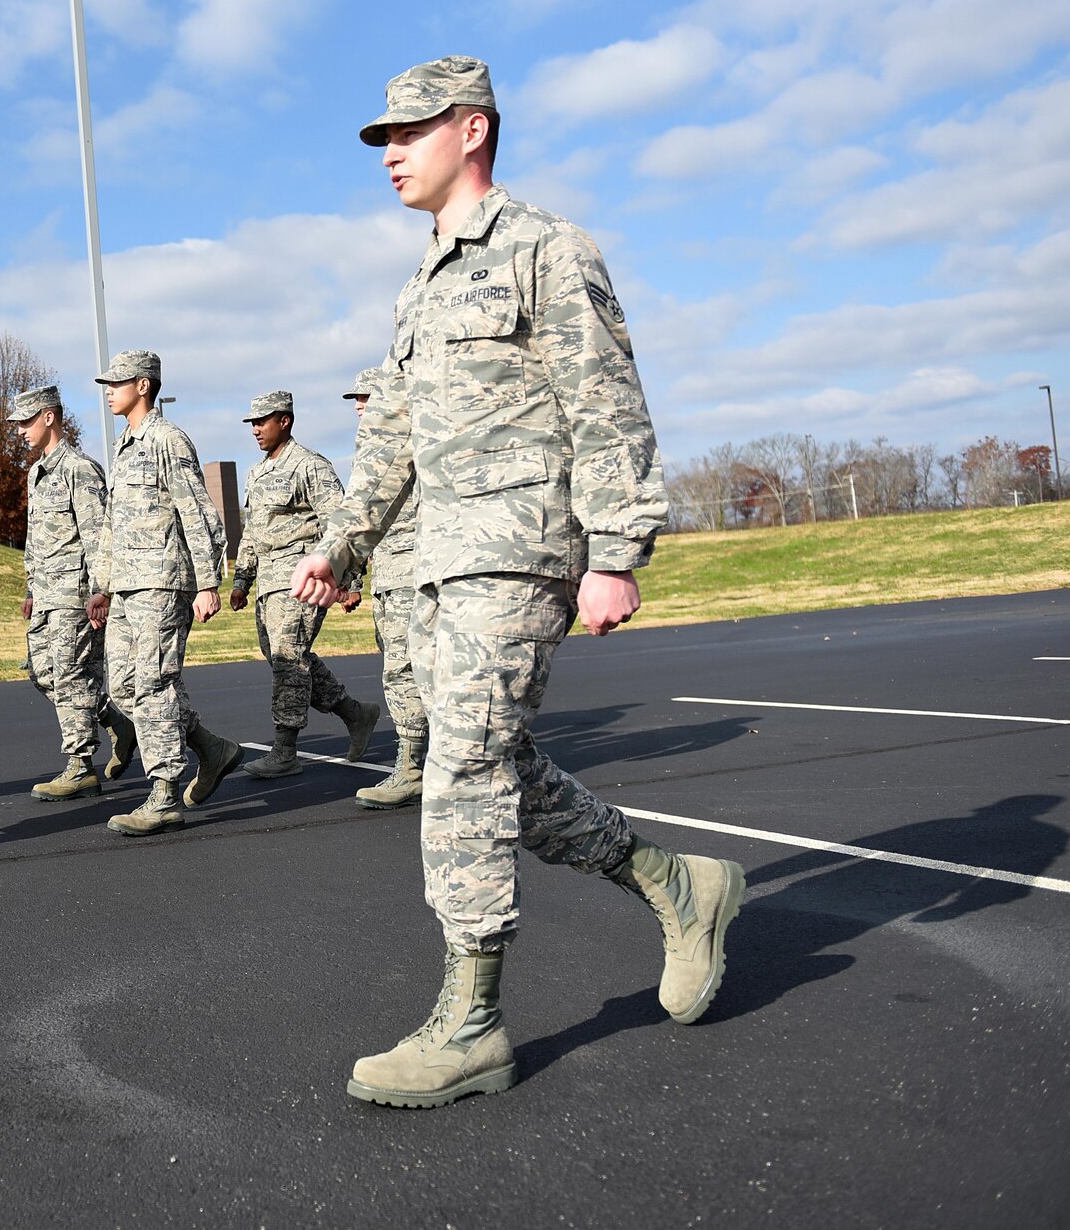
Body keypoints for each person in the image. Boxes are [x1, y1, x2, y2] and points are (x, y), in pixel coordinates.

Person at [290, 56, 746, 1108]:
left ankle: (472, 1020)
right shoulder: (419, 284)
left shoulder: (547, 249)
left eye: (409, 130)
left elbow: (606, 403)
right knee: (496, 762)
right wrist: (344, 542)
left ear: (474, 129)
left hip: (522, 545)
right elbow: (390, 438)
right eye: (382, 138)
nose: (390, 151)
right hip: (443, 559)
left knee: (459, 771)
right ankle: (674, 883)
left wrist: (617, 549)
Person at [82, 351, 244, 835]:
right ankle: (211, 749)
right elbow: (112, 525)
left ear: (144, 386)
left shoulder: (168, 440)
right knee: (124, 688)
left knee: (155, 684)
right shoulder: (126, 445)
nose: (109, 390)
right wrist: (102, 587)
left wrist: (209, 581)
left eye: (118, 383)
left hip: (163, 583)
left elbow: (199, 513)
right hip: (128, 588)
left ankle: (165, 792)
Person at [228, 390, 381, 777]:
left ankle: (285, 749)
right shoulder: (256, 472)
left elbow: (342, 525)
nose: (256, 429)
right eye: (253, 423)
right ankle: (355, 713)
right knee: (287, 657)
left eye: (263, 421)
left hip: (302, 581)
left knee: (287, 659)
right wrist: (242, 580)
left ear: (285, 420)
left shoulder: (310, 466)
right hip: (268, 585)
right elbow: (253, 533)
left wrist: (351, 581)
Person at [9, 384, 139, 799]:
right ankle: (115, 719)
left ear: (49, 417)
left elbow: (100, 535)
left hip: (73, 594)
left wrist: (100, 590)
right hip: (45, 594)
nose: (21, 431)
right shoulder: (37, 472)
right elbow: (36, 538)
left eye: (27, 421)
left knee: (69, 676)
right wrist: (31, 587)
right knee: (42, 674)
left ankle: (81, 765)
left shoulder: (79, 469)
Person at [341, 367, 426, 811]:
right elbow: (361, 524)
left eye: (366, 398)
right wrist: (350, 577)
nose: (358, 406)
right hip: (389, 574)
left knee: (406, 669)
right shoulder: (369, 453)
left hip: (416, 569)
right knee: (399, 667)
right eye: (356, 400)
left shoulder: (415, 440)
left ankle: (412, 767)